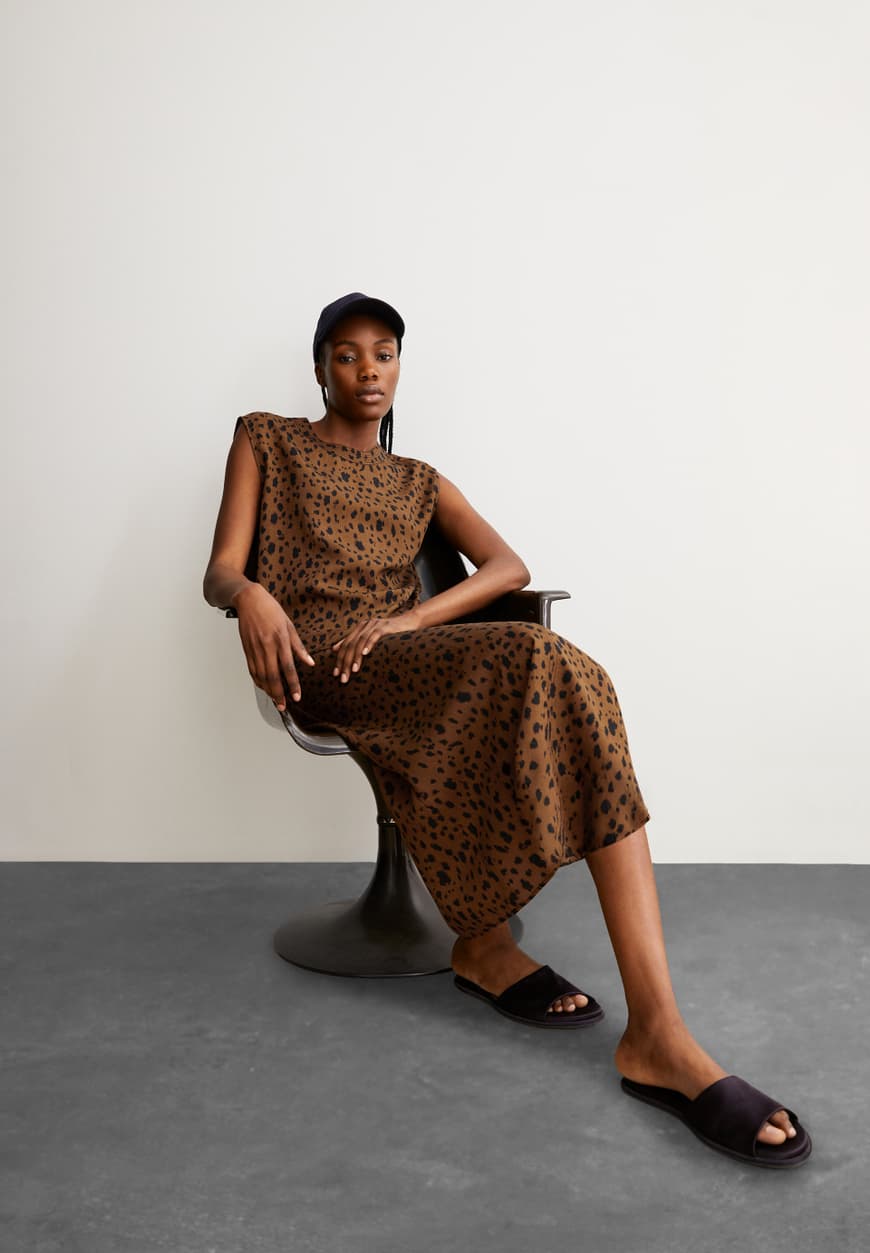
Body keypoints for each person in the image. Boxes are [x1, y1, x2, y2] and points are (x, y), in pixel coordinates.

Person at [203, 292, 811, 1169]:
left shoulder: (420, 481)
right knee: (538, 658)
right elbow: (221, 570)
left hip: (404, 656)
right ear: (320, 368)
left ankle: (652, 1025)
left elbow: (508, 565)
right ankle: (521, 963)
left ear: (401, 367)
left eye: (385, 353)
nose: (368, 370)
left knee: (576, 678)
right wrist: (252, 592)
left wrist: (412, 619)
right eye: (347, 354)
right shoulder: (266, 439)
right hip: (319, 665)